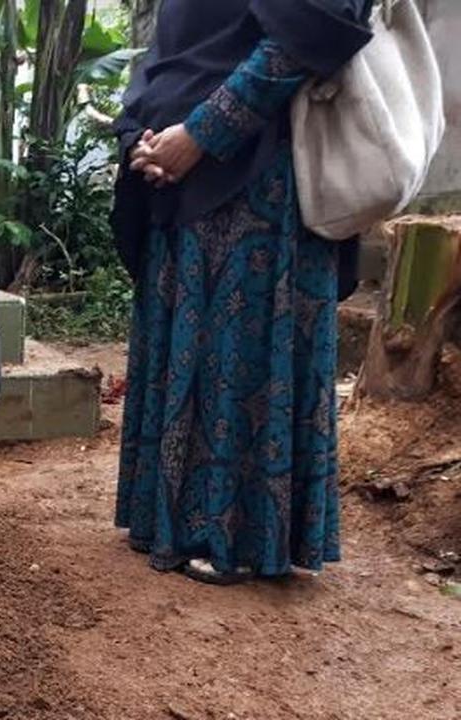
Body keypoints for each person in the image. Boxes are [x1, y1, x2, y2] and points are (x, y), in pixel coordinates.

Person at [111, 0, 372, 584]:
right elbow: (167, 47)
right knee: (183, 341)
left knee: (240, 353)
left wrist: (203, 133)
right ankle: (169, 520)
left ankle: (236, 536)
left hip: (263, 176)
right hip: (172, 171)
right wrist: (139, 135)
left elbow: (312, 32)